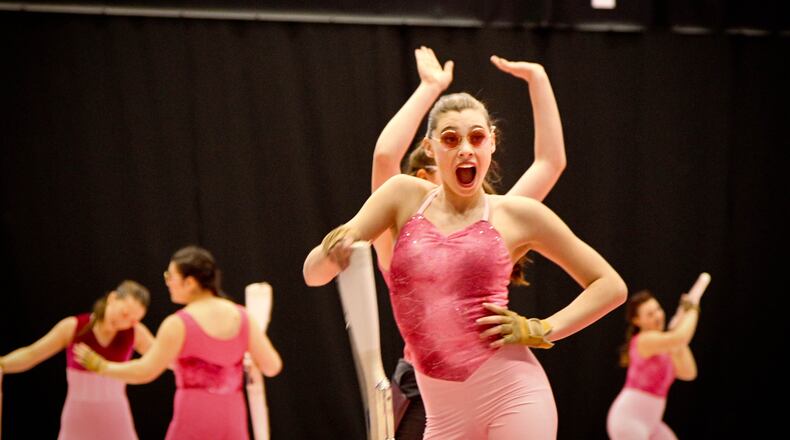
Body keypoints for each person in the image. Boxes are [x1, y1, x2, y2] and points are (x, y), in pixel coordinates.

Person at [303, 72, 627, 438]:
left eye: (476, 137)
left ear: (492, 142)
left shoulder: (516, 213)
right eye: (451, 139)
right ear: (431, 147)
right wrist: (333, 249)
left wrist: (541, 328)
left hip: (513, 393)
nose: (465, 149)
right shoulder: (402, 197)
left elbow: (611, 285)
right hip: (442, 412)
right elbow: (313, 274)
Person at [371, 46, 568, 438]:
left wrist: (540, 79)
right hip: (421, 388)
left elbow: (549, 162)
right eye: (422, 175)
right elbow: (383, 158)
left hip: (492, 384)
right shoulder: (396, 229)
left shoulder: (498, 217)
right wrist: (429, 88)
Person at [73, 245, 282, 440]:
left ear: (189, 282)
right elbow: (272, 366)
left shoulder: (178, 324)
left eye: (170, 276)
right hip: (232, 424)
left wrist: (102, 366)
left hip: (193, 423)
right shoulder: (243, 317)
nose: (167, 282)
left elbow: (146, 371)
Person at [0, 280, 153, 440]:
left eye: (133, 320)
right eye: (124, 313)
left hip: (116, 416)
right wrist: (2, 363)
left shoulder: (135, 332)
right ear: (113, 298)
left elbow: (165, 357)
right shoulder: (72, 327)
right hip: (78, 416)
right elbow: (32, 354)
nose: (125, 322)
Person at [606, 288, 704, 440]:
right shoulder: (644, 340)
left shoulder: (666, 344)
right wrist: (692, 308)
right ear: (636, 321)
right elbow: (680, 338)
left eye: (658, 309)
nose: (658, 316)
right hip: (628, 421)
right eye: (650, 314)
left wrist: (678, 325)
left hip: (651, 423)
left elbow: (689, 373)